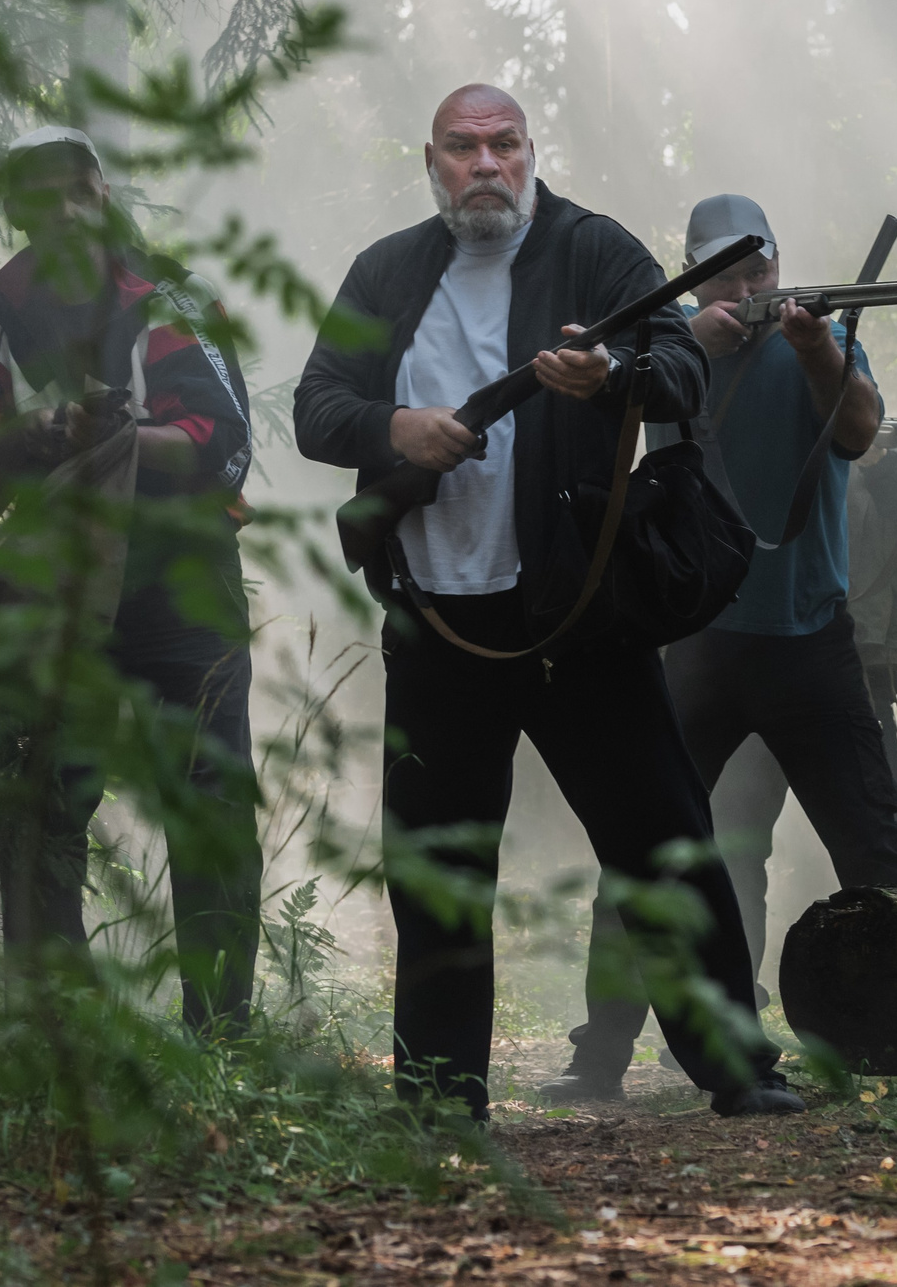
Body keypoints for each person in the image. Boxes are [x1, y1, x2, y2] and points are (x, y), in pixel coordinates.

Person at [293, 85, 801, 1123]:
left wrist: (609, 370)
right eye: (462, 146)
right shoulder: (383, 271)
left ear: (531, 152)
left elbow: (680, 372)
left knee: (662, 838)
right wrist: (398, 430)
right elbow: (317, 405)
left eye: (504, 144)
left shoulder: (596, 250)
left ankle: (738, 1069)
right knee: (436, 864)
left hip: (578, 614)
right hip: (435, 620)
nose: (485, 163)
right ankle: (439, 1094)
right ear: (431, 160)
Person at [541, 192, 897, 1103]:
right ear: (698, 278)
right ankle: (601, 1055)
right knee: (644, 853)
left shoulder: (819, 342)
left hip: (811, 641)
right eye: (730, 273)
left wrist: (813, 346)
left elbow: (862, 431)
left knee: (876, 850)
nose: (752, 285)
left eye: (761, 269)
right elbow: (608, 427)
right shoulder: (667, 344)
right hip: (697, 643)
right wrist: (697, 346)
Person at [0, 125, 263, 1032]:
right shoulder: (2, 314)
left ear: (100, 192)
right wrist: (40, 437)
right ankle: (63, 1024)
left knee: (207, 800)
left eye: (73, 192)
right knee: (45, 798)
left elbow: (222, 440)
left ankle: (222, 1028)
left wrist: (118, 438)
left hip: (180, 588)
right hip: (58, 592)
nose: (58, 214)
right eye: (36, 198)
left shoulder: (166, 295)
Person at [695, 431, 897, 989]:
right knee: (734, 845)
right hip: (743, 668)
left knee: (877, 848)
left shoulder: (896, 458)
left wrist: (881, 462)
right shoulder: (745, 440)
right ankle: (728, 1008)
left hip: (853, 678)